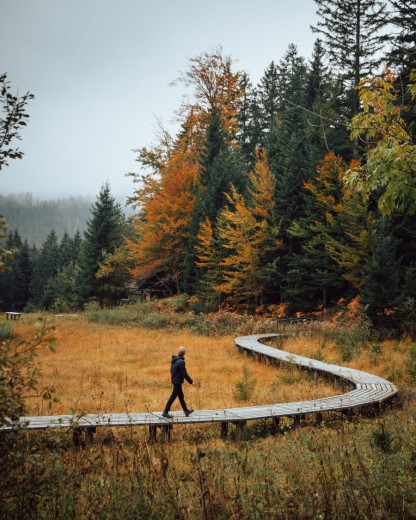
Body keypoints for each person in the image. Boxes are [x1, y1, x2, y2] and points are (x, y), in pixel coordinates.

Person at [162, 346, 194, 418]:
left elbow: (172, 370)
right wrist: (191, 382)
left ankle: (186, 411)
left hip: (175, 380)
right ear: (184, 353)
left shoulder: (174, 360)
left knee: (181, 396)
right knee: (173, 397)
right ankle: (165, 412)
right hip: (177, 381)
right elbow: (184, 373)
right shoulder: (181, 362)